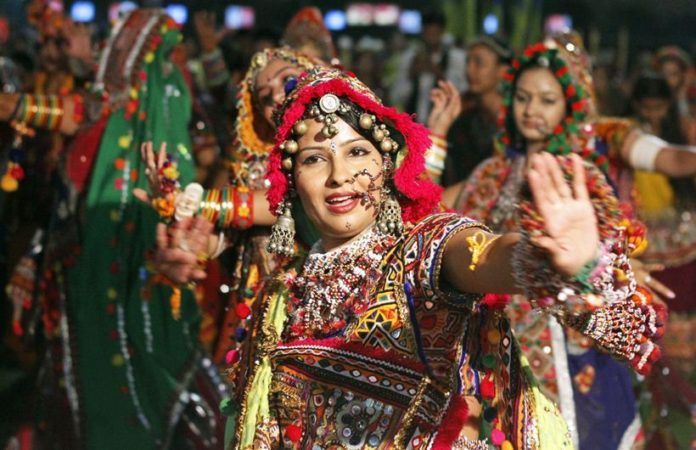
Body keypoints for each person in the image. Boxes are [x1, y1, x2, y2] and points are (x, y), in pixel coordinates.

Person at [148, 67, 663, 449]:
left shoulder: (422, 251)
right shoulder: (284, 290)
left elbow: (482, 257)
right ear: (292, 183)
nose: (339, 176)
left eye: (357, 152)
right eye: (314, 159)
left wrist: (553, 260)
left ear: (388, 165)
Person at [1, 9, 226, 449]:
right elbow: (49, 110)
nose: (110, 52)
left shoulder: (145, 102)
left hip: (143, 259)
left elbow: (204, 149)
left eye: (118, 44)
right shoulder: (100, 105)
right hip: (78, 258)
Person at [443, 41, 667, 450]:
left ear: (569, 108)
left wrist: (610, 266)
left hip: (561, 329)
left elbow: (607, 249)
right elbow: (434, 216)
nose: (532, 110)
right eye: (523, 98)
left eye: (547, 100)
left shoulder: (579, 175)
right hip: (493, 328)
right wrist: (436, 136)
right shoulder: (491, 171)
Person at [443, 35, 512, 186]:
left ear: (503, 70)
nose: (469, 70)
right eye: (468, 62)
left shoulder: (515, 119)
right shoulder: (462, 112)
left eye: (479, 63)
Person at [389, 9, 467, 121]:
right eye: (428, 33)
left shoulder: (455, 59)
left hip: (445, 123)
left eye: (435, 34)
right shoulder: (409, 58)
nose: (431, 38)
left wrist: (439, 74)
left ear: (442, 32)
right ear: (423, 32)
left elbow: (462, 93)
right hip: (413, 125)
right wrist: (411, 75)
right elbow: (395, 96)